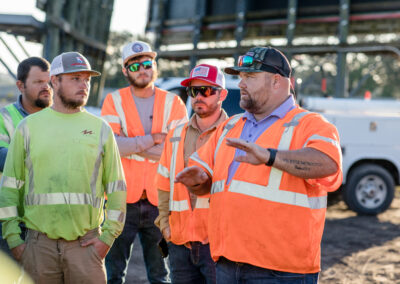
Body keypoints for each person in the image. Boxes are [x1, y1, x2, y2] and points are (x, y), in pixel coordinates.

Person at [175, 46, 343, 283]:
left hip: (281, 271)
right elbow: (207, 182)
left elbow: (328, 164)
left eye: (250, 77)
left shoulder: (312, 125)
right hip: (226, 263)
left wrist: (270, 157)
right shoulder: (230, 126)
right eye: (240, 77)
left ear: (277, 81)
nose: (241, 84)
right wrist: (197, 182)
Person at [0, 51, 127, 283]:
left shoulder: (100, 129)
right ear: (55, 81)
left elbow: (117, 188)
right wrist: (15, 241)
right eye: (75, 78)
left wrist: (107, 238)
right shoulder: (28, 128)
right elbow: (10, 187)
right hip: (38, 248)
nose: (84, 85)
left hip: (86, 246)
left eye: (87, 79)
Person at [101, 40, 188, 284]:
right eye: (135, 65)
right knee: (112, 273)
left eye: (147, 64)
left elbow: (176, 150)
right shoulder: (113, 101)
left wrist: (131, 144)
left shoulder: (174, 103)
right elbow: (111, 146)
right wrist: (152, 139)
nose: (142, 69)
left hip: (160, 203)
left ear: (154, 66)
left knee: (160, 274)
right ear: (125, 71)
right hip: (120, 201)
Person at [155, 64, 229, 284]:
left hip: (218, 244)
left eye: (206, 90)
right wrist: (164, 225)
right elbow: (162, 181)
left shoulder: (234, 133)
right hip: (180, 242)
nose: (198, 97)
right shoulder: (176, 134)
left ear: (222, 94)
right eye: (193, 91)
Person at [0, 56, 52, 254]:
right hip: (10, 218)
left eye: (49, 82)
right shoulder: (4, 117)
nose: (46, 87)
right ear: (20, 85)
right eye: (39, 82)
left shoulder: (63, 118)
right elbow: (2, 157)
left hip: (50, 220)